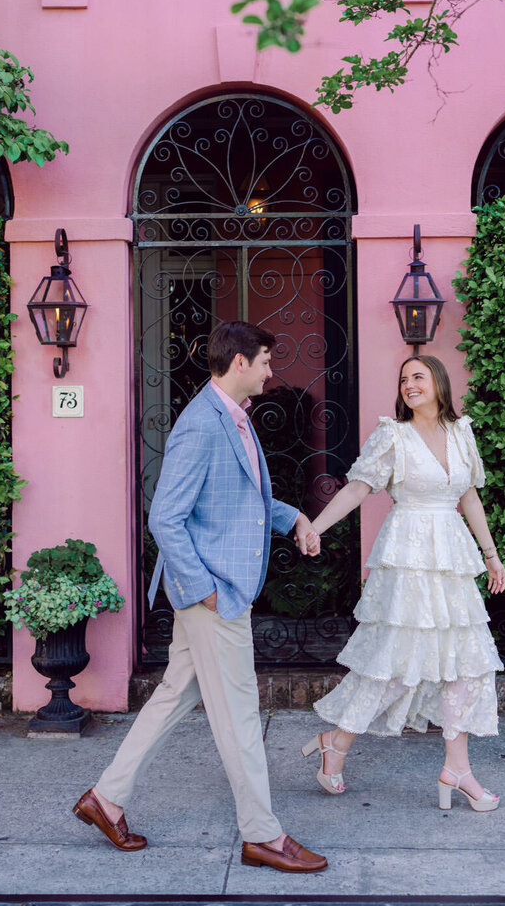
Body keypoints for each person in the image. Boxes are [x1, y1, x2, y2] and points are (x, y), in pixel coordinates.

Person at [73, 320, 327, 873]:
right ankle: (263, 835)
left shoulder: (233, 416)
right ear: (240, 362)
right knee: (239, 714)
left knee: (173, 695)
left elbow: (245, 498)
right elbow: (165, 517)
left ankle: (106, 799)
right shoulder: (200, 424)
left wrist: (295, 519)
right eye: (265, 361)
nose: (270, 372)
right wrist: (205, 589)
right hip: (214, 593)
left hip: (213, 592)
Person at [300, 354, 505, 812]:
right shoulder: (392, 435)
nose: (409, 385)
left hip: (450, 561)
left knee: (467, 664)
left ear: (439, 382)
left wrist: (491, 556)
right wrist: (316, 527)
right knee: (395, 665)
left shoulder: (461, 432)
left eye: (418, 377)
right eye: (403, 379)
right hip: (408, 559)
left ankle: (458, 769)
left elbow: (469, 497)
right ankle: (337, 742)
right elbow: (358, 487)